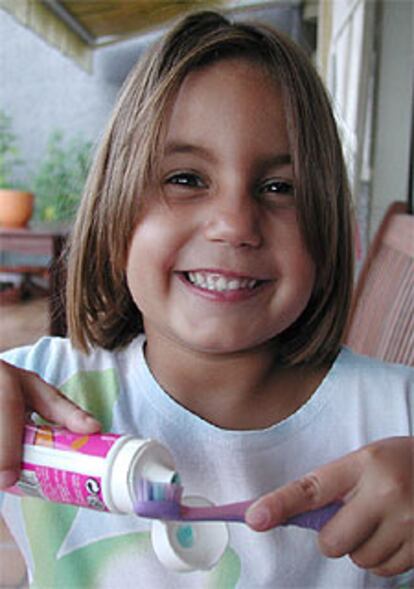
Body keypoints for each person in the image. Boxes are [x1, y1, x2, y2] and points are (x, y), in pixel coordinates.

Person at [0, 10, 412, 589]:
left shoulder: (400, 419)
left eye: (278, 188)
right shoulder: (34, 399)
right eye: (186, 178)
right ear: (117, 214)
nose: (234, 224)